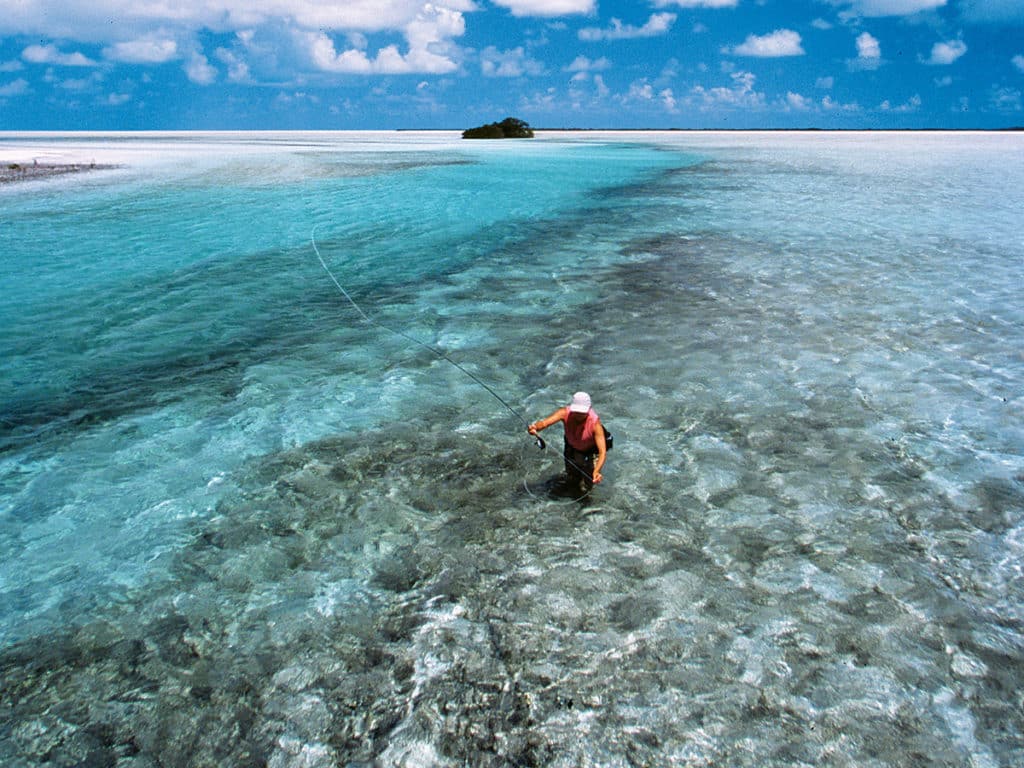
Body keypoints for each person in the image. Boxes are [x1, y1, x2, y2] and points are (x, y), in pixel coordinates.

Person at [527, 392, 607, 491]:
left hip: (590, 452)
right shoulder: (564, 413)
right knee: (572, 477)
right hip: (572, 448)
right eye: (576, 411)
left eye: (582, 413)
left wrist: (597, 471)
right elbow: (544, 423)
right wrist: (535, 427)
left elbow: (602, 452)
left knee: (589, 481)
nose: (578, 415)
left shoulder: (595, 424)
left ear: (588, 409)